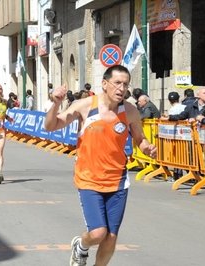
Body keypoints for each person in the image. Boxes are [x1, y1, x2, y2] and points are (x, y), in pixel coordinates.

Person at [44, 65, 157, 266]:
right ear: (105, 84)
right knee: (97, 233)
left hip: (117, 182)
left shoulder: (130, 111)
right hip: (89, 179)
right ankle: (81, 246)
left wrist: (147, 147)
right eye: (117, 83)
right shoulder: (86, 106)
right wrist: (55, 105)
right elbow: (51, 126)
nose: (121, 88)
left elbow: (140, 138)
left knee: (111, 238)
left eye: (125, 84)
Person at [167, 91, 186, 182]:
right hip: (186, 134)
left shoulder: (172, 110)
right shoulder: (184, 107)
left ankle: (177, 175)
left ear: (169, 101)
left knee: (177, 155)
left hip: (176, 135)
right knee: (186, 155)